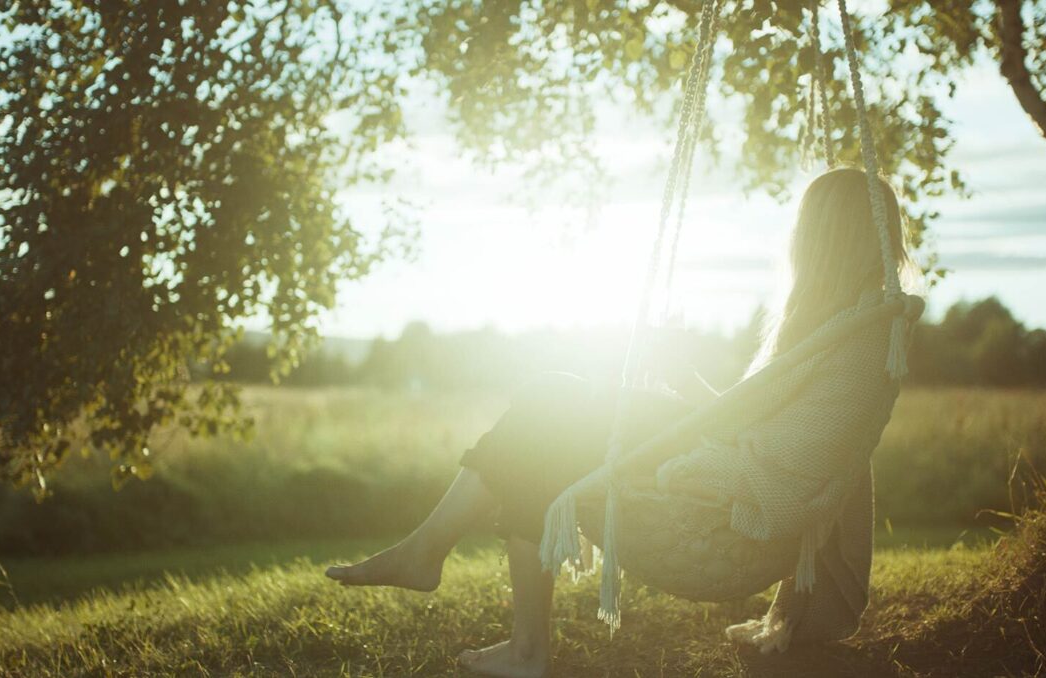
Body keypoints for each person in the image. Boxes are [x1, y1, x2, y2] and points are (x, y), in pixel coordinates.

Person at [325, 168, 919, 677]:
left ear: (823, 241)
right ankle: (482, 607)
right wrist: (683, 377)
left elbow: (789, 466)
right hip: (720, 463)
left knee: (546, 412)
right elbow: (756, 427)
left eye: (802, 231)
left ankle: (452, 577)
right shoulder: (836, 330)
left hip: (731, 509)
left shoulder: (861, 348)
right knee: (544, 415)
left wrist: (685, 465)